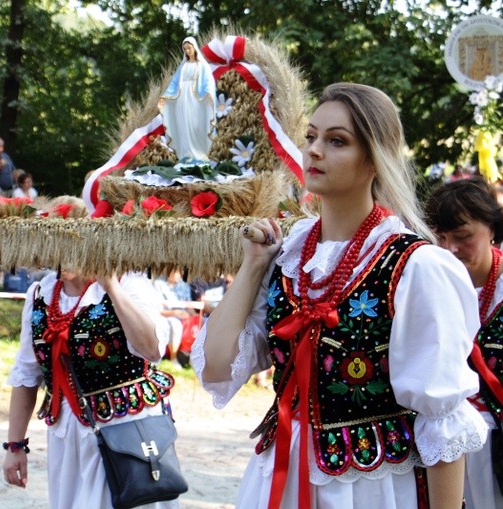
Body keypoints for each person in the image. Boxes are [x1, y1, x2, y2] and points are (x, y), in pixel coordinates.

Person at [193, 83, 487, 509]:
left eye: (337, 141)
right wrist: (253, 265)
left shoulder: (415, 266)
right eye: (311, 137)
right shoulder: (288, 257)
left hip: (372, 488)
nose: (314, 150)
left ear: (374, 159)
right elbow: (218, 367)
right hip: (281, 478)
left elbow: (442, 422)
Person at [3, 203, 178, 508]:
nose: (63, 252)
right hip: (68, 435)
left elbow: (152, 348)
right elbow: (26, 374)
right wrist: (15, 445)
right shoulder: (40, 294)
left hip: (126, 428)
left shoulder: (128, 282)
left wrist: (109, 283)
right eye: (56, 242)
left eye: (74, 241)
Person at [424, 177, 503, 509]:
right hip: (451, 444)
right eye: (440, 239)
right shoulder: (428, 287)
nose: (451, 249)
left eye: (463, 237)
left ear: (492, 230)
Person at [158, 36, 217, 162]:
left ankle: (198, 153)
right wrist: (165, 96)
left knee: (195, 124)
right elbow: (174, 83)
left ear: (194, 48)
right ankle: (186, 154)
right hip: (181, 98)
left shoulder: (201, 65)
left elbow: (208, 81)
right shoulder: (183, 66)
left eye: (189, 48)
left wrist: (209, 93)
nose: (187, 51)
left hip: (195, 98)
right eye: (185, 49)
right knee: (183, 124)